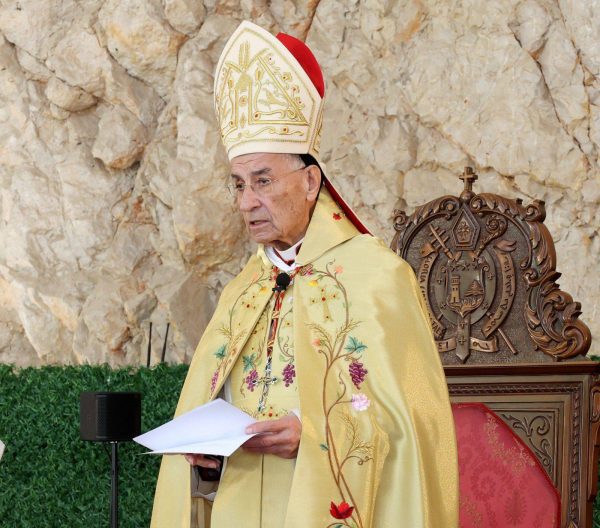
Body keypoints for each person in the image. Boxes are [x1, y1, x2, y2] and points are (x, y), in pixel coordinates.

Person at [151, 21, 458, 528]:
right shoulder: (243, 291)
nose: (247, 202)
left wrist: (312, 432)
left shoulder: (377, 276)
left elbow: (415, 426)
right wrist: (207, 457)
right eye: (238, 184)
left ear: (311, 181)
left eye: (263, 181)